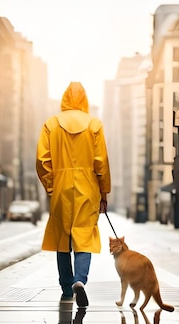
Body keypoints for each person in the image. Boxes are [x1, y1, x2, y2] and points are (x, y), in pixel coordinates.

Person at [36, 81, 112, 308]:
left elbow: (42, 162)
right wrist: (104, 191)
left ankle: (66, 284)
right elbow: (102, 163)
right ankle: (80, 280)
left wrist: (52, 186)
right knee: (84, 237)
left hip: (60, 186)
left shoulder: (51, 124)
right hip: (88, 187)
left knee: (62, 238)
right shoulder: (94, 124)